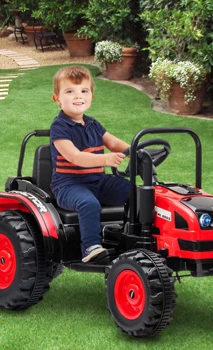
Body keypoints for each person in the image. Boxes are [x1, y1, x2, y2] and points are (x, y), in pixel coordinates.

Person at [50, 66, 131, 263]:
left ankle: (130, 236)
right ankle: (90, 247)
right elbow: (75, 157)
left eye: (84, 91)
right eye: (70, 91)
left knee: (135, 193)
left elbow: (113, 143)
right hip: (68, 185)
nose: (78, 96)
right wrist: (106, 159)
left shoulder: (93, 124)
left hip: (98, 181)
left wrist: (136, 150)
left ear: (91, 96)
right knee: (88, 203)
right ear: (57, 99)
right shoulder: (59, 127)